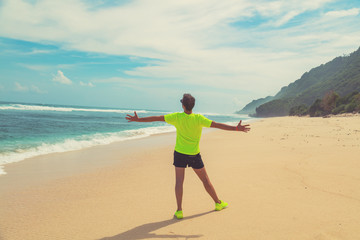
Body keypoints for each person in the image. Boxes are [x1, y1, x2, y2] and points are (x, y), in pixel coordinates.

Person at [126, 93, 250, 219]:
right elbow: (217, 125)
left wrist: (139, 119)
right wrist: (236, 128)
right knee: (205, 180)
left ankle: (179, 211)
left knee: (179, 182)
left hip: (179, 154)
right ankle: (218, 203)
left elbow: (157, 118)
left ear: (183, 105)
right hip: (194, 155)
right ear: (192, 106)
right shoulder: (199, 118)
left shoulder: (176, 117)